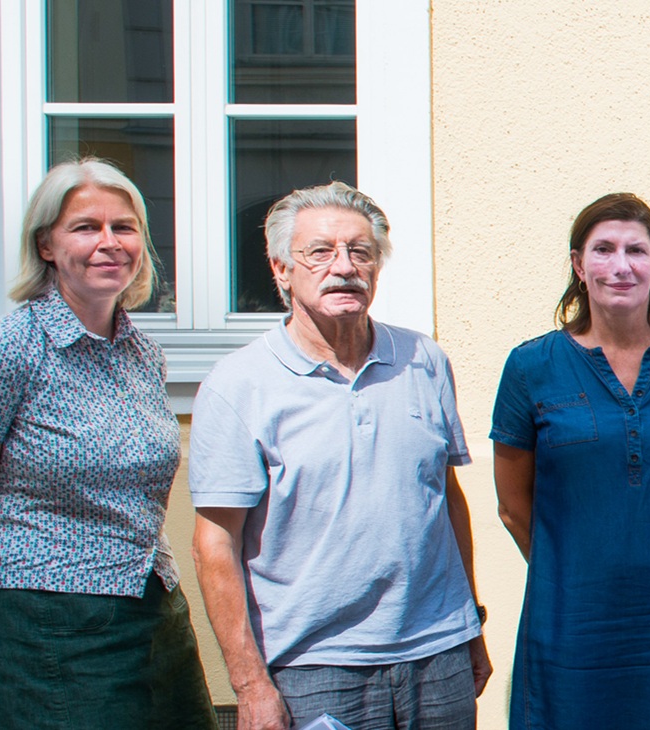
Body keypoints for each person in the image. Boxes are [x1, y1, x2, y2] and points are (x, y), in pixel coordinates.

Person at [0, 158, 214, 729]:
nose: (110, 242)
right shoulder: (2, 351)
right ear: (46, 245)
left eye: (124, 227)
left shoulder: (141, 354)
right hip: (47, 624)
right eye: (85, 227)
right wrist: (10, 629)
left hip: (154, 610)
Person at [190, 182, 490, 730]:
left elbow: (445, 499)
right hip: (314, 666)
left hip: (438, 654)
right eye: (320, 252)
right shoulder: (238, 384)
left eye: (360, 252)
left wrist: (471, 626)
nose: (344, 267)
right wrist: (250, 684)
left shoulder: (423, 360)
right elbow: (215, 542)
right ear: (281, 270)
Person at [490, 193, 650, 729]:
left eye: (636, 250)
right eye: (603, 249)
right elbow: (512, 505)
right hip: (569, 619)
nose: (620, 266)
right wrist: (574, 566)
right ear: (579, 266)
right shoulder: (531, 367)